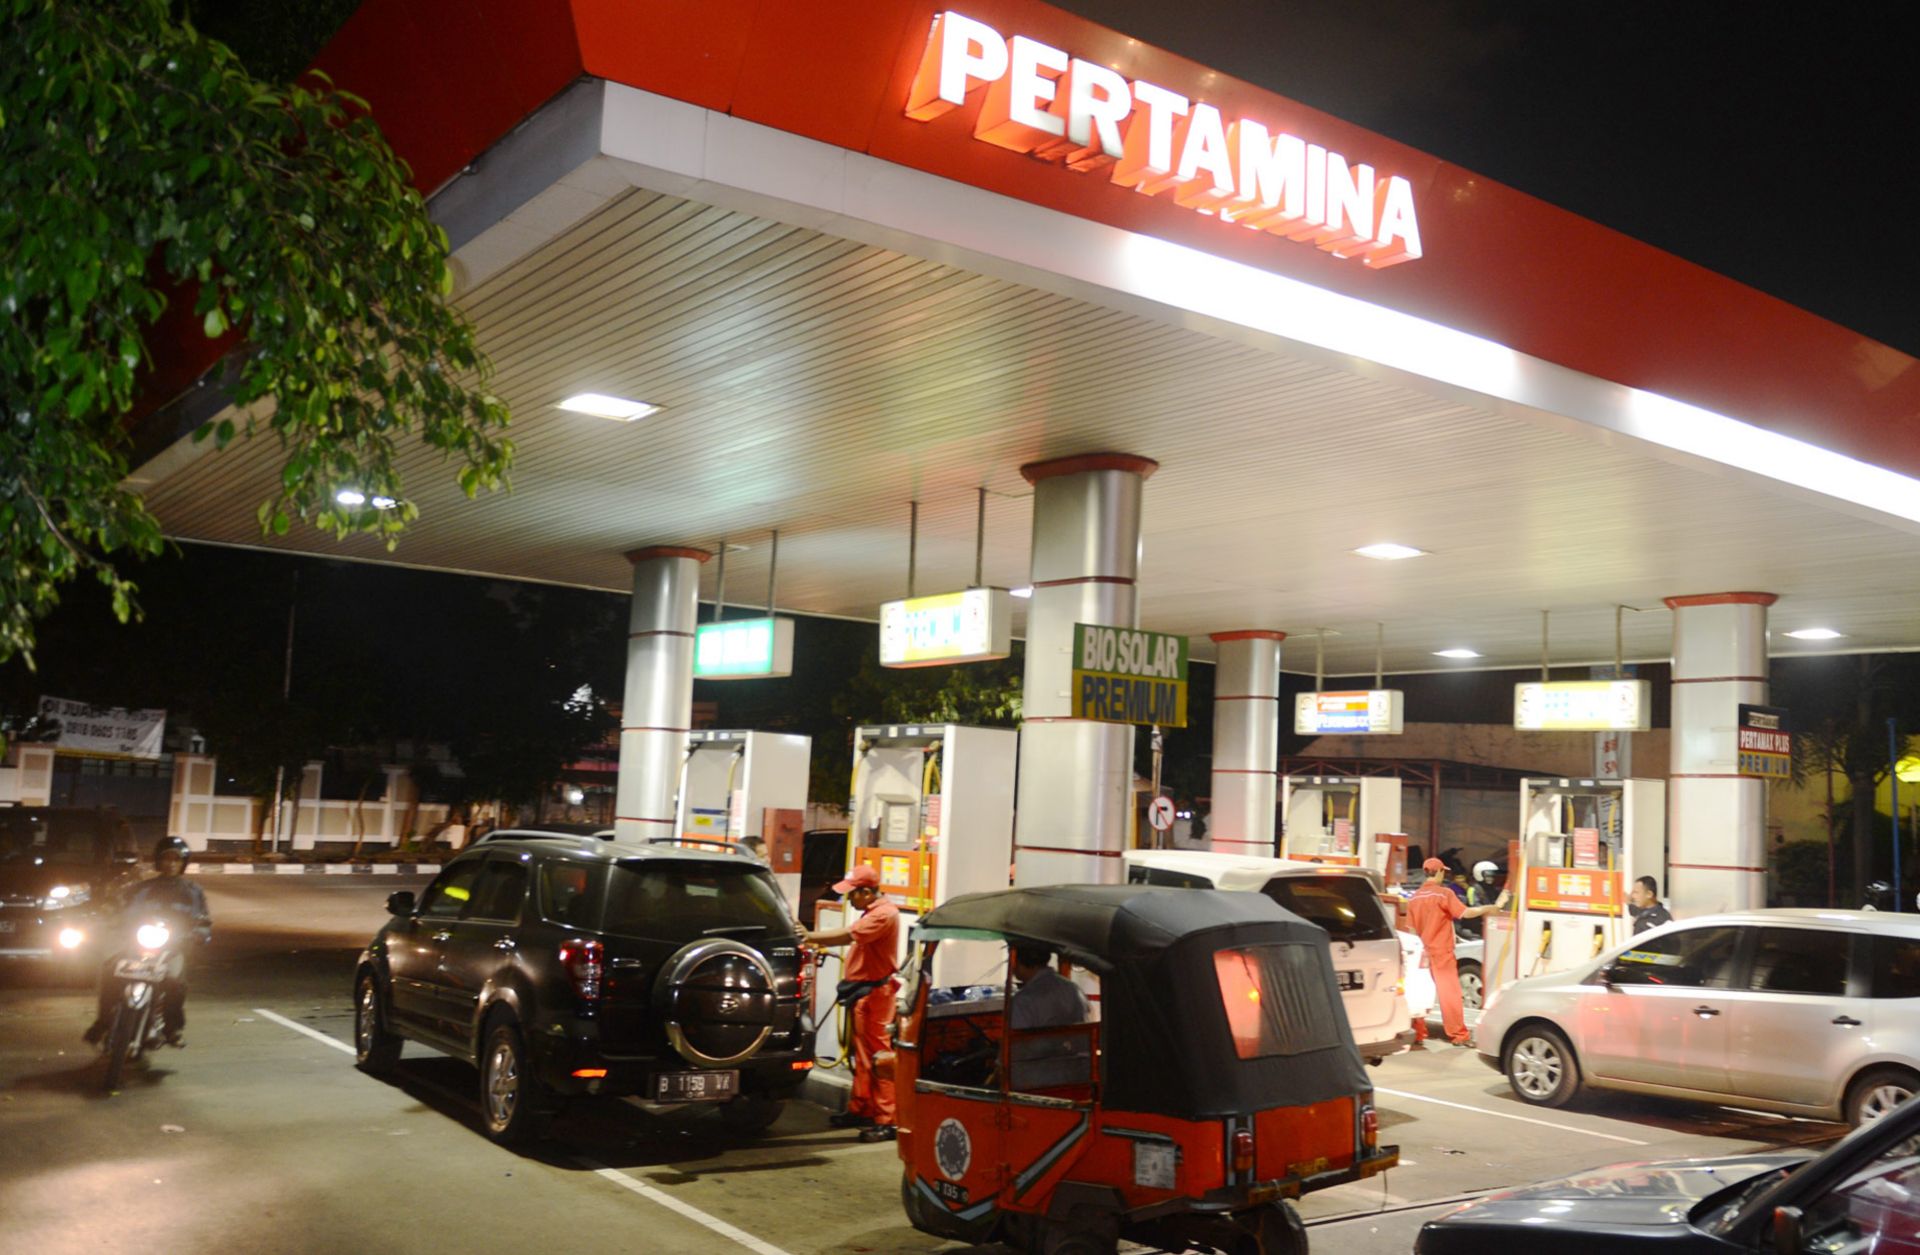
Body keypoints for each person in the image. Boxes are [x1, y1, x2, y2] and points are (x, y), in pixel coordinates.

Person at [83, 836, 212, 1048]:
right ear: (158, 862)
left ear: (183, 864)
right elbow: (118, 907)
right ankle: (103, 1022)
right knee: (109, 971)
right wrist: (105, 918)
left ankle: (172, 1029)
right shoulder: (141, 888)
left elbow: (203, 919)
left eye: (176, 860)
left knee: (175, 983)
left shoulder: (193, 892)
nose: (170, 864)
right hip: (137, 946)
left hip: (171, 948)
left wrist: (200, 933)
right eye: (166, 859)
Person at [803, 863, 900, 1143]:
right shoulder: (873, 912)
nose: (849, 899)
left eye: (852, 894)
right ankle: (862, 1109)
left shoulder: (884, 915)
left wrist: (808, 936)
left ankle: (887, 1120)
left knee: (880, 1059)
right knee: (863, 1058)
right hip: (863, 994)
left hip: (876, 996)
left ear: (867, 892)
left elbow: (848, 935)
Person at [1406, 856, 1506, 1047]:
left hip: (1422, 955)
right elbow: (1465, 913)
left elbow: (1411, 931)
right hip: (1442, 952)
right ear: (1440, 872)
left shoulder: (1414, 898)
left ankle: (1418, 1033)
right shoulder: (1444, 894)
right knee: (1449, 994)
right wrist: (1488, 908)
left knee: (1419, 993)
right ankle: (1458, 1035)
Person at [1008, 943, 1090, 1090]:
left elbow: (1017, 1049)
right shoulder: (1073, 989)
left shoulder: (1023, 999)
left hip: (1036, 1079)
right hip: (1077, 1073)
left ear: (1020, 963)